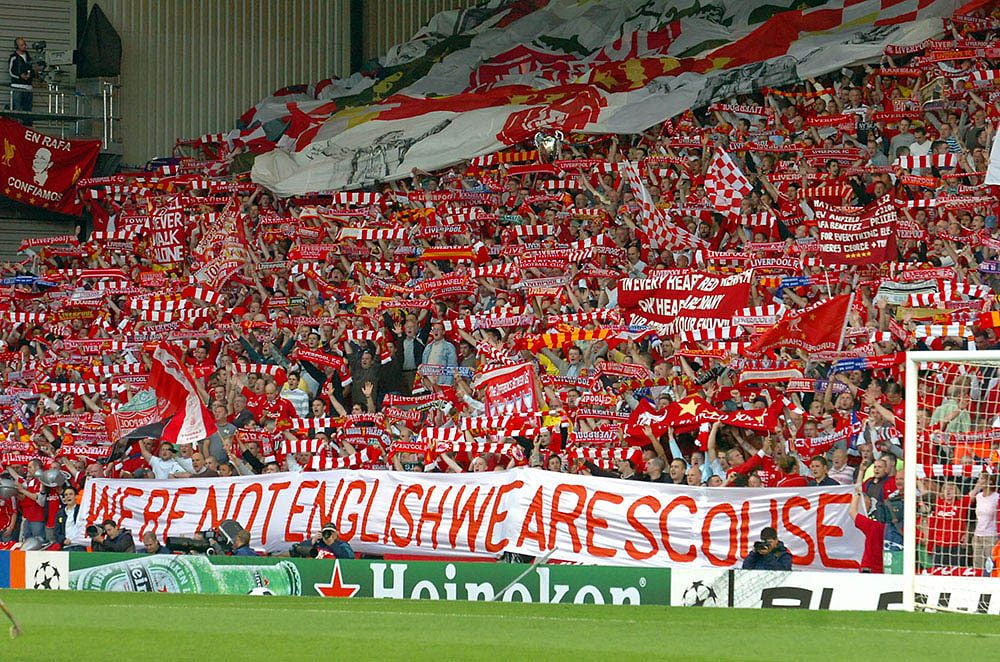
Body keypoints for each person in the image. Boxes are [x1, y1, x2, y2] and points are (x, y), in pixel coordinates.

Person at [849, 469, 884, 573]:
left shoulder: (872, 526)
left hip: (869, 568)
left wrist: (856, 495)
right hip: (884, 571)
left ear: (869, 502)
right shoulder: (894, 530)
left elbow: (852, 511)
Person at [54, 485, 86, 550]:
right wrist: (63, 540)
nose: (68, 496)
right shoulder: (60, 513)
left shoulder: (82, 510)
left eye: (71, 494)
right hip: (66, 546)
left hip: (79, 546)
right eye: (66, 495)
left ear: (76, 496)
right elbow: (57, 532)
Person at [8, 37, 34, 116]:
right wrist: (20, 76)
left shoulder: (29, 57)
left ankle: (27, 125)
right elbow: (11, 72)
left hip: (28, 87)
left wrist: (30, 75)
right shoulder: (13, 57)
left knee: (28, 109)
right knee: (17, 109)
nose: (24, 46)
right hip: (17, 86)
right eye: (21, 45)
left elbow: (32, 69)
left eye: (24, 44)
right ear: (17, 46)